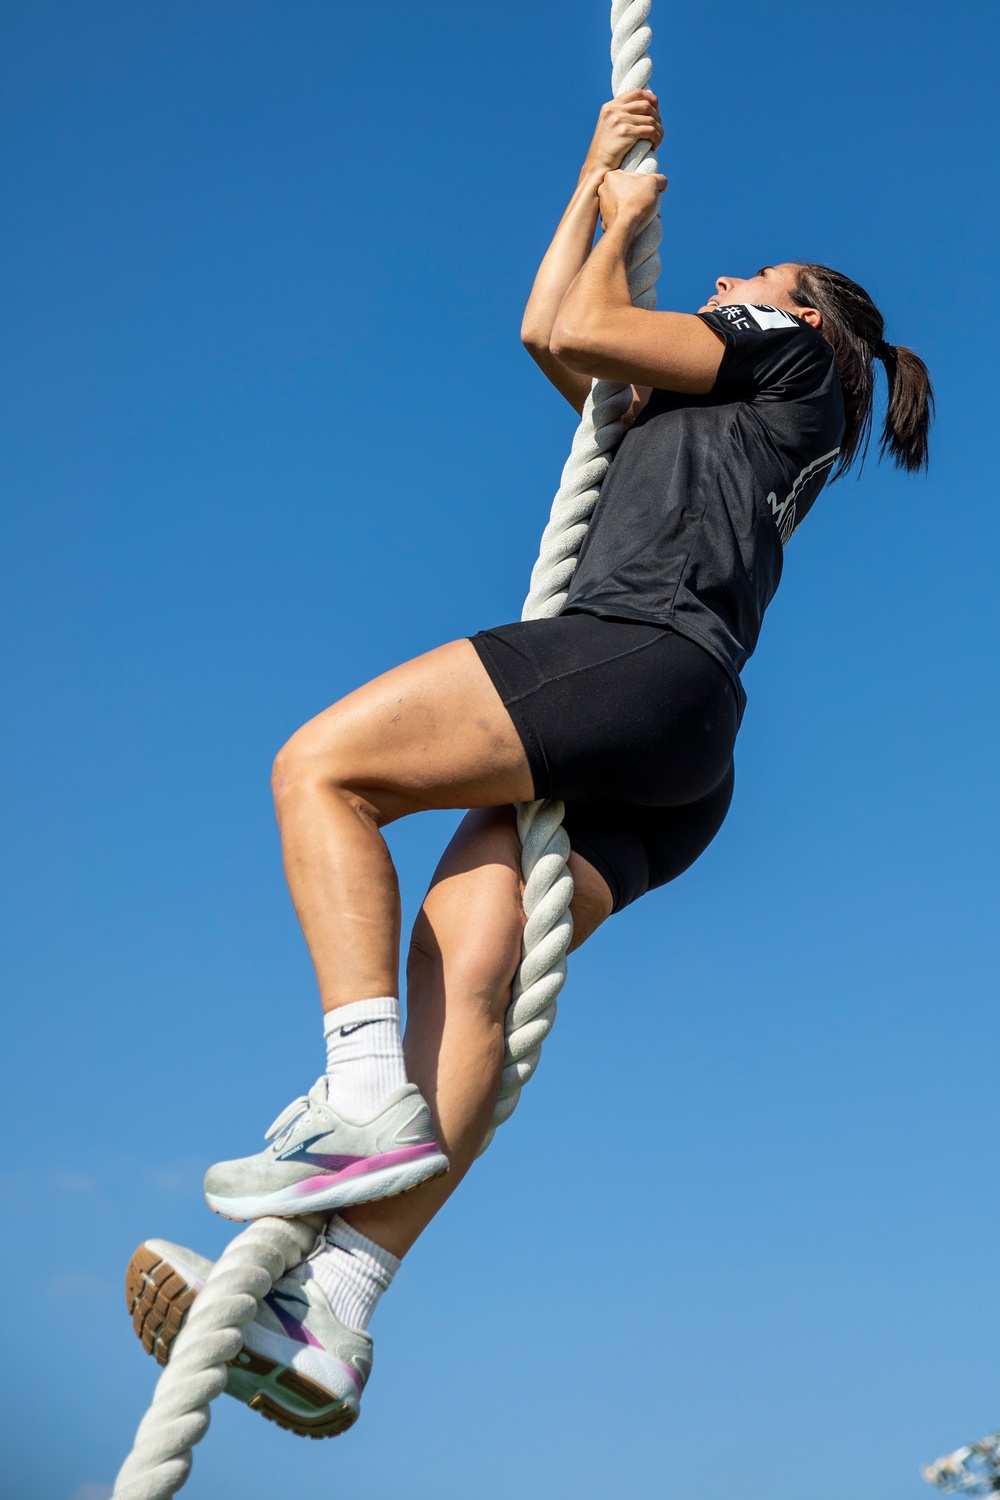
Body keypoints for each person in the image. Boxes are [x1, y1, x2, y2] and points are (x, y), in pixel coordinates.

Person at [124, 90, 933, 1436]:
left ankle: (360, 1082)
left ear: (807, 313)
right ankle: (338, 1309)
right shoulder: (735, 407)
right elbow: (551, 334)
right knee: (469, 974)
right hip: (685, 758)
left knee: (320, 768)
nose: (729, 282)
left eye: (754, 278)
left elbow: (572, 325)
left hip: (635, 660)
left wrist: (623, 219)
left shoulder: (787, 345)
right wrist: (593, 177)